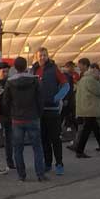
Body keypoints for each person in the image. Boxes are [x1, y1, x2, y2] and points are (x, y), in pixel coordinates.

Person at [2, 57, 45, 182]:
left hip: (17, 119)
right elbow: (40, 99)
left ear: (15, 68)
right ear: (26, 66)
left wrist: (11, 113)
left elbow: (5, 101)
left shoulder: (10, 82)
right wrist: (38, 113)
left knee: (18, 148)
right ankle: (40, 174)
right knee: (37, 147)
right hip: (32, 117)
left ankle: (22, 175)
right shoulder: (35, 80)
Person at [33, 47, 69, 177]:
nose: (42, 57)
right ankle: (47, 163)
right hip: (40, 111)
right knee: (44, 139)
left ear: (48, 56)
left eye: (44, 55)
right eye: (40, 55)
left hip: (53, 111)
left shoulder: (54, 69)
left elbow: (66, 85)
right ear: (36, 57)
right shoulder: (34, 70)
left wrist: (56, 98)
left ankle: (59, 163)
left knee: (55, 139)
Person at [72, 60, 100, 158]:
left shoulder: (83, 78)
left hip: (85, 107)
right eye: (98, 71)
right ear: (94, 70)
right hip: (90, 108)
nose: (99, 73)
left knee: (95, 128)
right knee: (87, 130)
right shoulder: (91, 79)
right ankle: (79, 150)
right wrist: (99, 80)